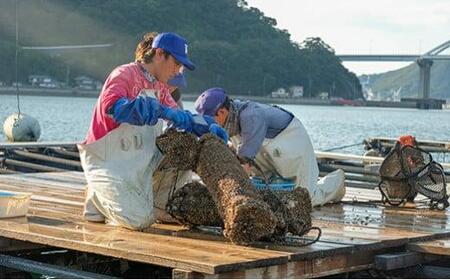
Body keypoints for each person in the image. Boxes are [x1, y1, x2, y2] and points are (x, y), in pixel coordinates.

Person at [78, 32, 226, 230]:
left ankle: (157, 203)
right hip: (109, 161)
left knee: (186, 146)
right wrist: (151, 108)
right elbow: (113, 108)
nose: (178, 70)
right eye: (176, 63)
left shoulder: (160, 87)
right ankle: (97, 193)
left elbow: (183, 118)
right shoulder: (124, 74)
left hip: (138, 159)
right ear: (159, 54)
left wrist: (207, 125)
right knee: (138, 221)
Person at [194, 87, 345, 207]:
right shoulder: (229, 118)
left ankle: (337, 182)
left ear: (222, 112)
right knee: (269, 195)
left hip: (292, 140)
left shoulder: (250, 116)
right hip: (269, 151)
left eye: (209, 118)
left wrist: (228, 194)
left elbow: (244, 164)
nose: (207, 123)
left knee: (305, 199)